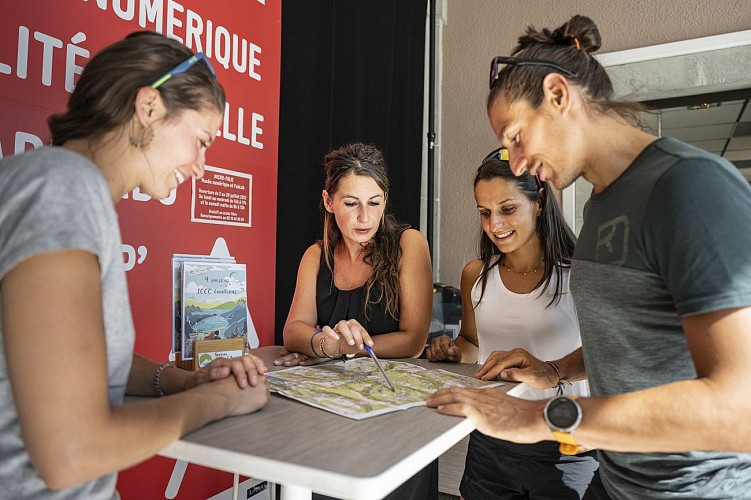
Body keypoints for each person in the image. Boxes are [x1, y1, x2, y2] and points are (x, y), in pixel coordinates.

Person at [427, 14, 751, 500]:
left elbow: (738, 407)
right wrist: (554, 370)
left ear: (558, 94)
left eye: (515, 137)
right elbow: (625, 346)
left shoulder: (689, 187)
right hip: (613, 478)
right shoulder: (601, 204)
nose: (515, 163)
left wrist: (539, 417)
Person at [0, 32, 269, 499]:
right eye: (200, 140)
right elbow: (72, 452)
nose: (202, 166)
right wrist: (215, 401)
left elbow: (71, 362)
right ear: (148, 109)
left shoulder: (60, 186)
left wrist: (183, 381)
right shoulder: (63, 189)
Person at [426, 149, 603, 499]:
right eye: (484, 212)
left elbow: (607, 354)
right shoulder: (475, 275)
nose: (495, 225)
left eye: (507, 209)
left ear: (538, 203)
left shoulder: (580, 274)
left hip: (565, 446)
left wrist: (552, 370)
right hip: (491, 442)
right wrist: (451, 351)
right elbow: (472, 343)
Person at [278, 142, 436, 500]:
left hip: (397, 419)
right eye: (351, 203)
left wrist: (344, 352)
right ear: (328, 201)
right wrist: (327, 344)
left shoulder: (409, 244)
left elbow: (413, 341)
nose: (365, 217)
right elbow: (293, 331)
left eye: (374, 202)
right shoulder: (315, 255)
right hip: (329, 417)